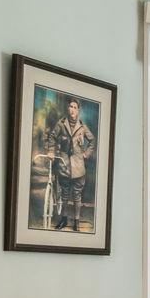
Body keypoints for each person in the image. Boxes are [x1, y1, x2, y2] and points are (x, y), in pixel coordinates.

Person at [50, 98, 95, 231]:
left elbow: (92, 141)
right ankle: (63, 220)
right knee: (64, 194)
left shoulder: (82, 126)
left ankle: (76, 221)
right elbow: (52, 136)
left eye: (75, 107)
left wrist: (86, 154)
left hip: (78, 166)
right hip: (64, 164)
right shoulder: (61, 124)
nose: (72, 110)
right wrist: (51, 151)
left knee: (76, 195)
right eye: (71, 106)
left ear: (78, 110)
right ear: (67, 108)